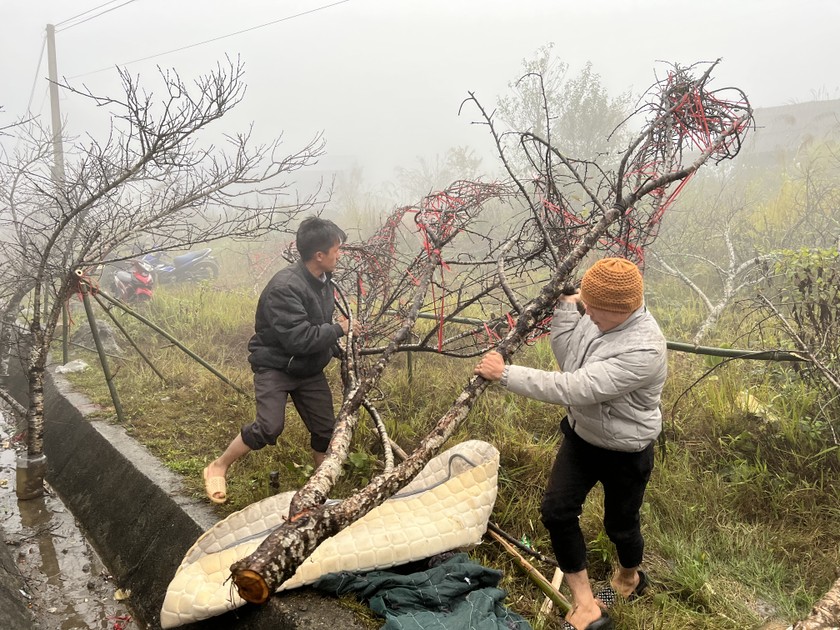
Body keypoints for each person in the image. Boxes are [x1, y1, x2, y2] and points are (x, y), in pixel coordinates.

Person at [474, 257, 667, 630]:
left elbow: (575, 388)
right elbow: (569, 359)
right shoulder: (599, 319)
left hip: (626, 451)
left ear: (622, 309)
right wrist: (565, 306)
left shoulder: (643, 349)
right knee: (557, 512)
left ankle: (629, 579)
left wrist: (505, 373)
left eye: (592, 308)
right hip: (582, 438)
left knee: (620, 526)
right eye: (584, 304)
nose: (586, 312)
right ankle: (586, 605)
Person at [203, 216, 359, 504]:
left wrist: (336, 347)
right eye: (337, 249)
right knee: (269, 427)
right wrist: (339, 329)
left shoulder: (323, 280)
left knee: (325, 431)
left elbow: (316, 324)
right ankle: (219, 466)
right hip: (276, 366)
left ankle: (319, 492)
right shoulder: (285, 287)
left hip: (309, 368)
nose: (340, 255)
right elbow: (298, 339)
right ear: (319, 255)